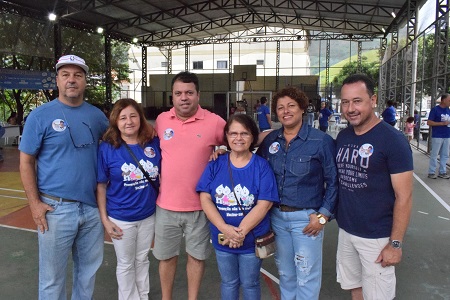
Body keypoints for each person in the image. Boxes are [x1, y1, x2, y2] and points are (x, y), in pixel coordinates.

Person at [19, 54, 108, 299]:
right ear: (57, 80)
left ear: (85, 81)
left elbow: (120, 144)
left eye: (78, 75)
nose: (72, 80)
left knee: (87, 276)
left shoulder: (97, 116)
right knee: (51, 280)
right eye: (66, 75)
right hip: (55, 210)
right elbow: (26, 162)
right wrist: (35, 205)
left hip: (91, 210)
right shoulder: (40, 116)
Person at [335, 74, 413, 300]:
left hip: (377, 238)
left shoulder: (393, 140)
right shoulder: (344, 136)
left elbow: (404, 197)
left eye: (357, 101)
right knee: (355, 288)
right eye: (345, 102)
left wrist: (395, 244)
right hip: (347, 230)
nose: (350, 108)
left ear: (373, 100)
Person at [256, 86, 338, 299]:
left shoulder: (321, 141)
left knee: (306, 275)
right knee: (286, 274)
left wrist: (323, 216)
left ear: (302, 108)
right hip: (277, 218)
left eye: (291, 105)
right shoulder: (270, 141)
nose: (286, 111)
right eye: (281, 107)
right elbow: (253, 166)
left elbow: (334, 182)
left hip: (306, 221)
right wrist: (219, 150)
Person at [153, 71, 226, 300]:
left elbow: (238, 141)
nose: (184, 97)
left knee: (196, 257)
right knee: (166, 257)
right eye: (178, 93)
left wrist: (224, 149)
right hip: (166, 206)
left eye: (189, 93)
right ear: (172, 97)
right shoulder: (162, 120)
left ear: (198, 95)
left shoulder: (215, 122)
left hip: (200, 207)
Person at [197, 114, 279, 299]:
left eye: (244, 133)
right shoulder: (215, 164)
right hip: (223, 239)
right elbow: (205, 199)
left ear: (252, 137)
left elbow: (264, 204)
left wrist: (239, 233)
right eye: (233, 133)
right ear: (226, 136)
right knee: (229, 282)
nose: (238, 138)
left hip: (251, 241)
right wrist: (225, 229)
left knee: (250, 283)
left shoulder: (262, 166)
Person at [97, 98, 161, 299]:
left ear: (141, 118)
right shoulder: (107, 148)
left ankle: (143, 295)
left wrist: (218, 150)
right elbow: (101, 185)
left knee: (142, 259)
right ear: (116, 121)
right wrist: (105, 220)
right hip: (121, 217)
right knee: (125, 263)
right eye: (123, 117)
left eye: (133, 116)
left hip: (148, 215)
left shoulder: (153, 143)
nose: (129, 121)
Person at [427, 93, 450, 179]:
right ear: (443, 100)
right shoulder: (435, 110)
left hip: (447, 135)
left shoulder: (448, 110)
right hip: (437, 135)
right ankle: (431, 172)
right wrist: (441, 123)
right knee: (435, 154)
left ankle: (442, 171)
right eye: (449, 100)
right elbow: (429, 122)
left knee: (445, 154)